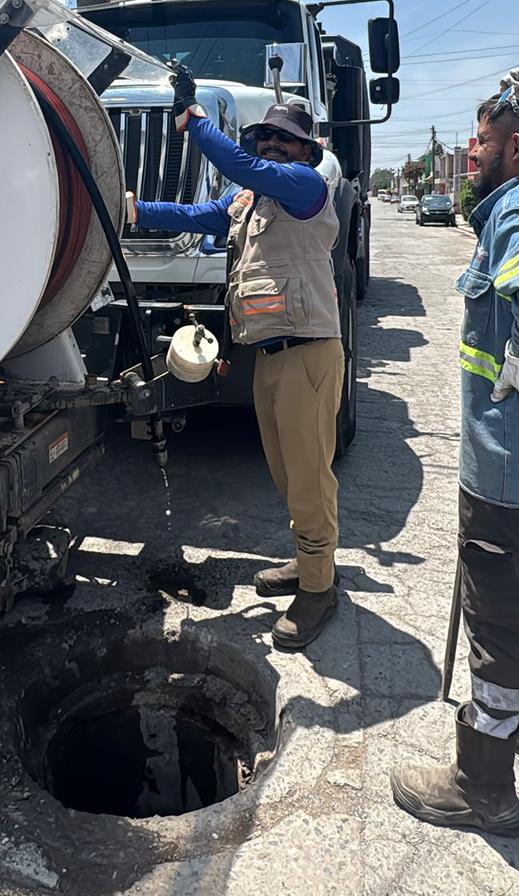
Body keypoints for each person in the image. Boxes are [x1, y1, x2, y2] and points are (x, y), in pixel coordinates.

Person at [126, 67, 344, 649]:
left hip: (308, 354)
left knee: (308, 476)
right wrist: (136, 210)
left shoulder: (305, 186)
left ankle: (320, 588)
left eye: (284, 139)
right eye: (263, 138)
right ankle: (308, 561)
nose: (270, 144)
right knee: (284, 471)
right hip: (270, 356)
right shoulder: (250, 197)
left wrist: (196, 121)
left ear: (307, 149)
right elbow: (199, 218)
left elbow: (242, 166)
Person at [392, 69, 519, 836]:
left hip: (507, 469)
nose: (472, 155)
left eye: (481, 142)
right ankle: (518, 725)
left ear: (518, 143)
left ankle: (484, 786)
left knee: (499, 619)